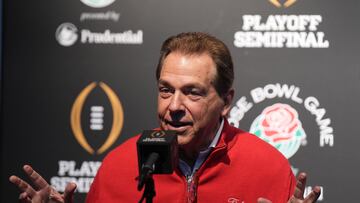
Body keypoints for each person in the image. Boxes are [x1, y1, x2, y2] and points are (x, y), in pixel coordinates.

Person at [10, 32, 321, 203]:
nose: (174, 105)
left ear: (226, 101)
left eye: (192, 92)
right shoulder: (118, 166)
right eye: (165, 90)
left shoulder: (269, 168)